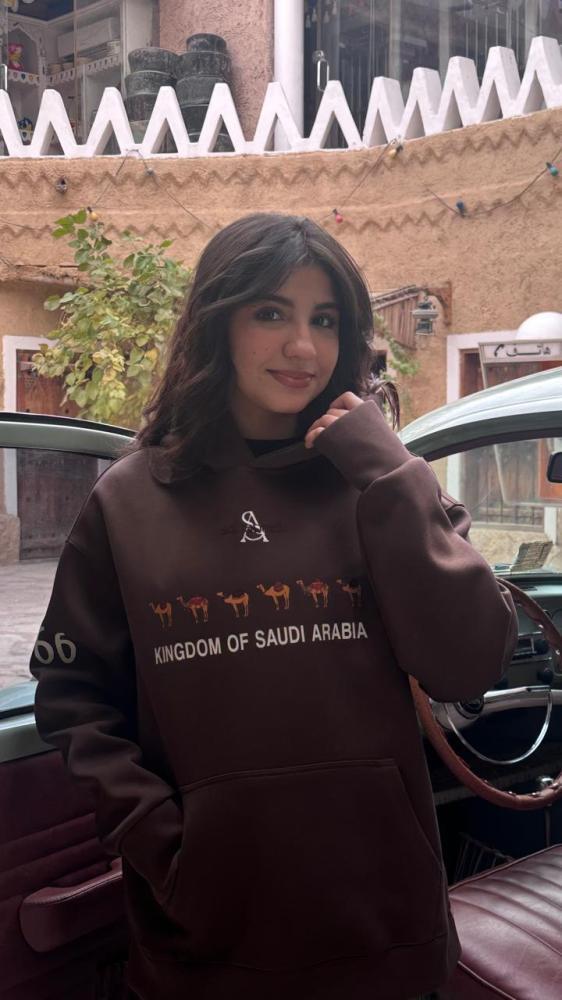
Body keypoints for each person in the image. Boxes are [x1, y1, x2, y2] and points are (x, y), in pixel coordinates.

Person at [30, 213, 517, 1000]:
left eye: (325, 320)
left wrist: (391, 476)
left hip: (385, 929)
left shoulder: (384, 481)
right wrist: (163, 844)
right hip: (207, 941)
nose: (303, 347)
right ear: (217, 322)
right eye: (271, 313)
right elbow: (74, 695)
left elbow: (469, 663)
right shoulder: (129, 500)